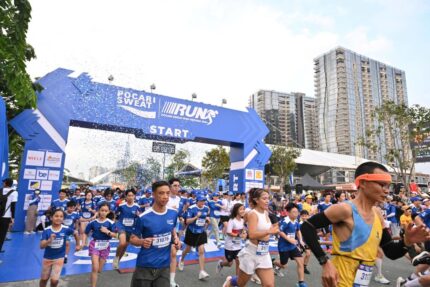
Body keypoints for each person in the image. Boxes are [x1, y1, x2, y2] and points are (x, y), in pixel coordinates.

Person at [300, 161, 430, 287]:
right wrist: (325, 262)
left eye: (388, 186)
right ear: (362, 183)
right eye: (382, 184)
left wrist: (406, 242)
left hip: (361, 281)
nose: (386, 191)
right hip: (339, 280)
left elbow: (390, 251)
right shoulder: (345, 209)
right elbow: (307, 227)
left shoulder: (378, 213)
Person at [223, 188, 280, 287]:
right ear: (256, 200)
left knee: (269, 285)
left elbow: (267, 228)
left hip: (264, 252)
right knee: (240, 283)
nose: (267, 201)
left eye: (268, 198)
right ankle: (230, 281)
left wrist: (274, 229)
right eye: (264, 198)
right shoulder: (253, 214)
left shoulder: (266, 213)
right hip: (251, 253)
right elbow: (252, 234)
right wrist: (269, 231)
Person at [130, 180, 181, 287]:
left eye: (167, 193)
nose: (165, 196)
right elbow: (132, 239)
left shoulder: (173, 213)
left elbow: (172, 230)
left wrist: (176, 239)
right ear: (153, 194)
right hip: (145, 267)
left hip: (164, 267)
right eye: (161, 193)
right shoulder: (143, 217)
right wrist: (142, 241)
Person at [39, 208, 81, 287]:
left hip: (59, 258)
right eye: (56, 216)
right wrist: (49, 241)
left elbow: (75, 233)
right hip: (47, 258)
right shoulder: (47, 230)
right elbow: (41, 246)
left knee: (54, 281)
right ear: (51, 218)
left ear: (63, 218)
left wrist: (78, 244)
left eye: (61, 216)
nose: (59, 218)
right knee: (44, 279)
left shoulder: (65, 229)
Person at [83, 202, 118, 287]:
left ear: (108, 212)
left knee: (99, 269)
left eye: (105, 211)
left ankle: (93, 277)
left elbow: (117, 235)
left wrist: (107, 231)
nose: (103, 212)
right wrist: (83, 242)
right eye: (102, 210)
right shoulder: (93, 222)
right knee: (95, 268)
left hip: (105, 246)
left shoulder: (111, 223)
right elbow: (85, 232)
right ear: (98, 210)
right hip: (94, 245)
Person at [272, 203, 308, 287]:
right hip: (284, 246)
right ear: (288, 212)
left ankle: (301, 283)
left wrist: (301, 240)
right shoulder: (285, 221)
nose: (296, 214)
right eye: (294, 212)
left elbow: (298, 230)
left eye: (297, 212)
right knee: (283, 265)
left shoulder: (296, 220)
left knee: (300, 261)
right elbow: (279, 231)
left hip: (292, 246)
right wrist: (289, 239)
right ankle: (273, 262)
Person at [178, 194, 211, 280]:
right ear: (197, 201)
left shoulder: (206, 208)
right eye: (201, 201)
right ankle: (181, 259)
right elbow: (187, 221)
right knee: (187, 249)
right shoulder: (192, 208)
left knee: (201, 251)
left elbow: (206, 218)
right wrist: (196, 217)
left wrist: (207, 221)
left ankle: (202, 272)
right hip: (192, 231)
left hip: (201, 231)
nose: (202, 203)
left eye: (204, 201)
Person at [217, 203, 247, 276]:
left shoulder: (243, 220)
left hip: (238, 245)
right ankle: (221, 263)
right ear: (236, 211)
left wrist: (244, 233)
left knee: (238, 261)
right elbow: (228, 232)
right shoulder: (232, 220)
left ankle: (237, 281)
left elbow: (242, 230)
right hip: (230, 246)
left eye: (243, 209)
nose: (243, 211)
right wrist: (238, 235)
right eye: (241, 209)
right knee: (229, 263)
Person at [113, 189, 139, 269]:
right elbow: (115, 214)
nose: (130, 197)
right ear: (126, 197)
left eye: (132, 195)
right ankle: (116, 257)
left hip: (130, 228)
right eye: (129, 195)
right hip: (121, 226)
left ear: (134, 197)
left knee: (125, 247)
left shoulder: (137, 206)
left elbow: (138, 218)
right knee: (122, 243)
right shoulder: (121, 206)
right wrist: (116, 223)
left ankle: (117, 261)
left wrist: (138, 215)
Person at [0, 178, 17, 254]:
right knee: (2, 235)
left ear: (5, 183)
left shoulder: (0, 190)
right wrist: (12, 218)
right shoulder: (14, 193)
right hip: (6, 217)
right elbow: (13, 206)